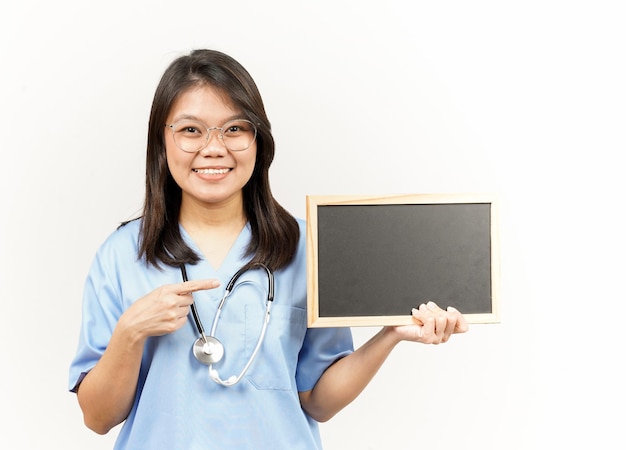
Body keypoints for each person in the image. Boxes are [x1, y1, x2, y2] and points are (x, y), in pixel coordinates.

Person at [68, 49, 468, 450]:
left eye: (234, 129)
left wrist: (389, 335)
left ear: (258, 140)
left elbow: (318, 401)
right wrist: (130, 333)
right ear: (162, 140)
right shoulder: (122, 255)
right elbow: (98, 418)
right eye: (191, 130)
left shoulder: (305, 249)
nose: (213, 148)